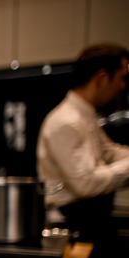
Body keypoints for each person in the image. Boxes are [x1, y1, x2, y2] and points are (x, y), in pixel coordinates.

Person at [37, 42, 129, 246]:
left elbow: (110, 152)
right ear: (102, 78)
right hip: (73, 225)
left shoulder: (86, 116)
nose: (123, 86)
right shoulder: (66, 121)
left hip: (90, 219)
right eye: (122, 78)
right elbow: (85, 184)